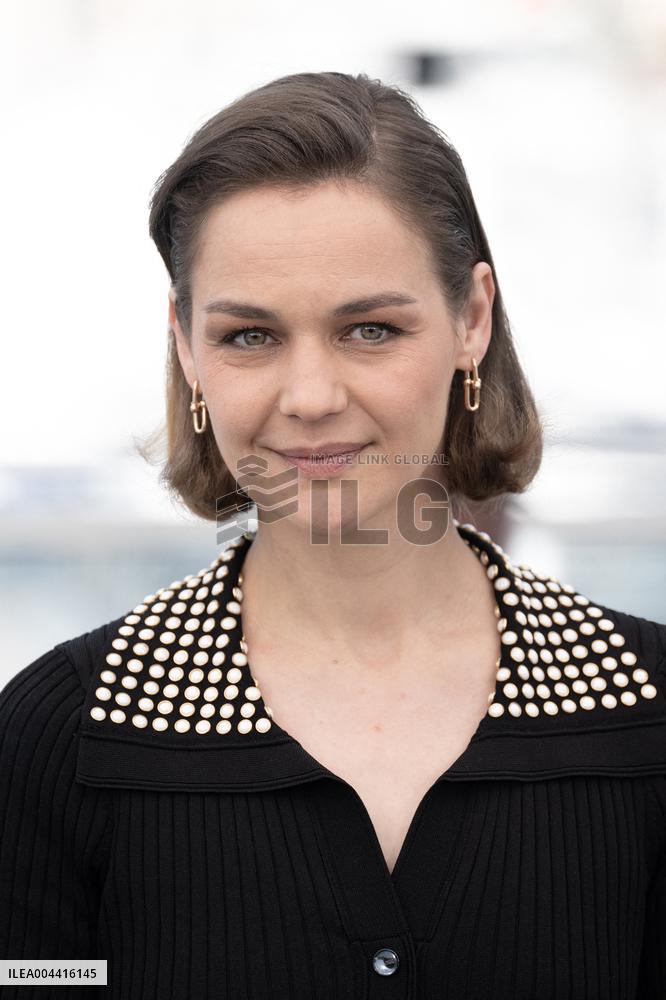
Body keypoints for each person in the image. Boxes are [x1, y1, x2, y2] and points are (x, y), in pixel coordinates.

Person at [1, 71, 664, 999]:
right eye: (249, 338)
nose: (310, 398)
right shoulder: (58, 739)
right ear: (187, 345)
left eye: (369, 330)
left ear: (472, 319)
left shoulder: (649, 715)